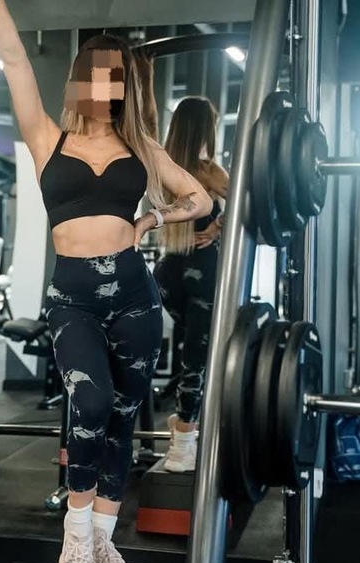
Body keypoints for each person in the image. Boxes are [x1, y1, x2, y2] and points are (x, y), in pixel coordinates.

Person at [0, 0, 213, 563]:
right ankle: (76, 540)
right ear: (80, 79)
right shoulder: (47, 137)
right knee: (90, 405)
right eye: (97, 73)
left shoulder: (141, 147)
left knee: (121, 417)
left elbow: (200, 198)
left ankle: (104, 547)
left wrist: (152, 220)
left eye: (117, 76)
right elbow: (14, 60)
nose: (105, 85)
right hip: (74, 299)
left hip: (135, 297)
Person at [136, 55, 229, 473]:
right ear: (208, 129)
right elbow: (252, 198)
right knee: (197, 359)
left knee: (189, 349)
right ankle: (183, 443)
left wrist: (147, 77)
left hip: (166, 275)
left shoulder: (160, 165)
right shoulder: (208, 172)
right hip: (202, 273)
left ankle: (180, 422)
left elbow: (147, 121)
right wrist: (218, 227)